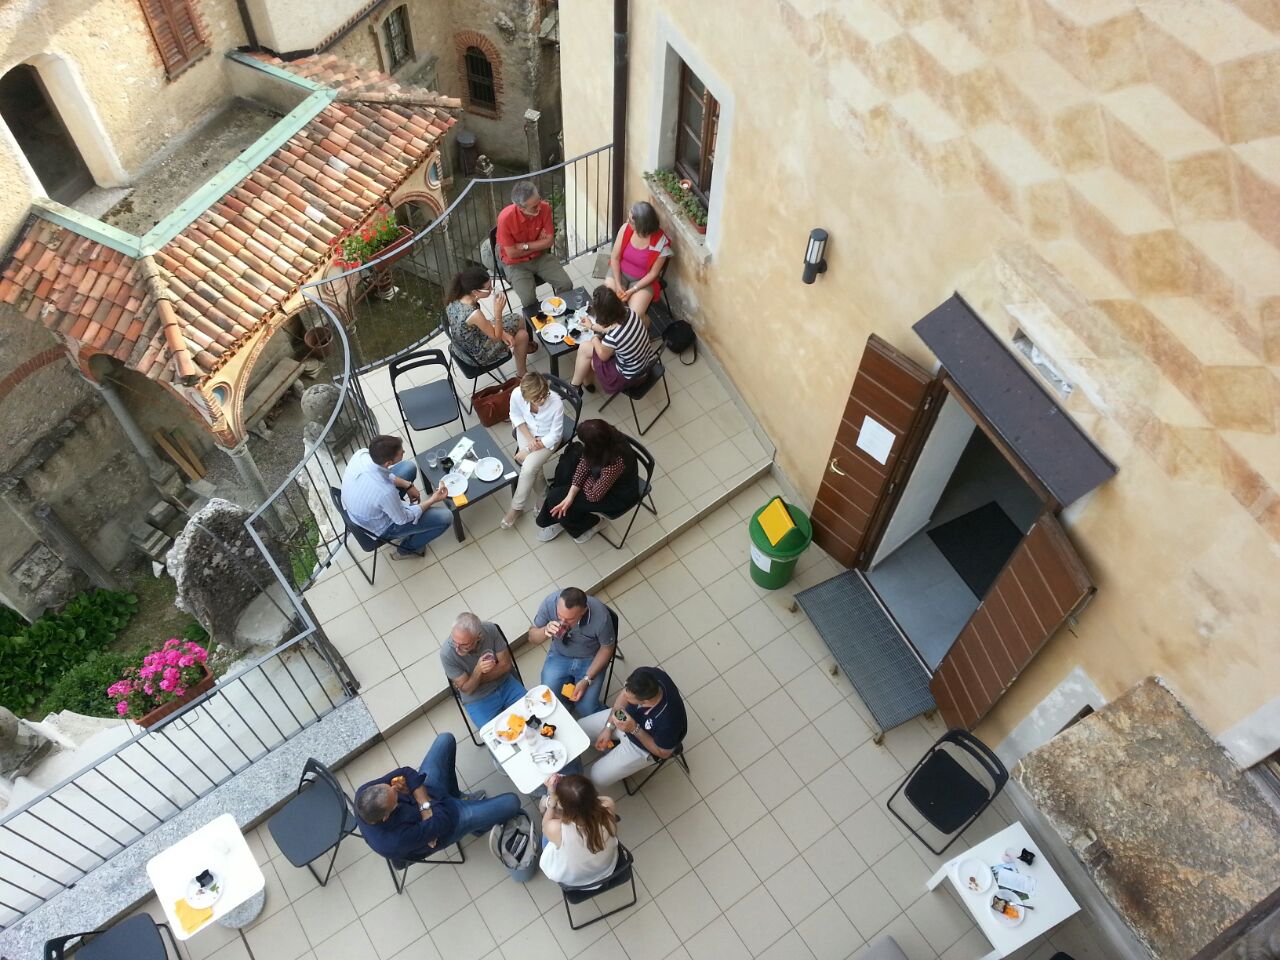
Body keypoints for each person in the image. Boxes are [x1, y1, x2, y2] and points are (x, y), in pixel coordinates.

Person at [354, 732, 521, 864]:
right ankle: (476, 826)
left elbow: (405, 771)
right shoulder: (394, 841)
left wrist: (424, 807)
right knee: (512, 802)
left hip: (428, 799)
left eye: (390, 786)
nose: (394, 788)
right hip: (448, 822)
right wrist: (416, 791)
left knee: (445, 740)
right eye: (395, 798)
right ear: (386, 816)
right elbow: (444, 822)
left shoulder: (365, 793)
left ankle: (456, 796)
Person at [340, 434, 452, 560]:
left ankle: (403, 518)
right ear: (389, 462)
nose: (404, 451)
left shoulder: (362, 455)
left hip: (356, 509)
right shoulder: (385, 492)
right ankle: (406, 549)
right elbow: (403, 519)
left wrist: (408, 486)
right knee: (446, 518)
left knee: (409, 467)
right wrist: (433, 500)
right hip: (378, 527)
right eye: (401, 452)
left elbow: (383, 474)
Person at [579, 667, 686, 789]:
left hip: (642, 745)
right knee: (580, 729)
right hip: (624, 717)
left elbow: (663, 753)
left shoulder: (670, 722)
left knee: (596, 777)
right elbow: (623, 698)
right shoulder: (644, 675)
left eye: (629, 698)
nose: (624, 696)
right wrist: (609, 727)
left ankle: (615, 756)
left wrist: (634, 728)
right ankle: (611, 748)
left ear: (645, 702)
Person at [535, 419, 637, 544]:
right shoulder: (605, 439)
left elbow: (593, 495)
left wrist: (578, 486)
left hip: (616, 496)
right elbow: (584, 464)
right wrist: (571, 494)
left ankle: (591, 524)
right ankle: (559, 517)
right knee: (566, 472)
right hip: (599, 482)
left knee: (555, 497)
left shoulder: (615, 462)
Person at [528, 587, 616, 717]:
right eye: (559, 616)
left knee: (586, 708)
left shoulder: (601, 618)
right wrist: (545, 631)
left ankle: (611, 722)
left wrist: (587, 679)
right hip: (560, 654)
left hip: (589, 658)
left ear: (583, 611)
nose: (563, 622)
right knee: (550, 697)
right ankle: (566, 706)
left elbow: (607, 648)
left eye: (570, 619)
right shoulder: (550, 602)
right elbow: (532, 637)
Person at [445, 265, 534, 377]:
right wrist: (498, 312)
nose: (492, 290)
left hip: (463, 347)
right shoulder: (473, 314)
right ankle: (522, 372)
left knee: (518, 320)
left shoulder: (455, 299)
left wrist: (504, 334)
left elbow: (475, 325)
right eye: (488, 288)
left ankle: (525, 347)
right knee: (522, 335)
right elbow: (496, 337)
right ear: (475, 292)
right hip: (477, 356)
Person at [502, 372, 565, 530]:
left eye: (544, 395)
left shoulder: (556, 403)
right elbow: (515, 415)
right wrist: (530, 440)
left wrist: (528, 449)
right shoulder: (517, 394)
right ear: (526, 396)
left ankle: (516, 508)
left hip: (548, 439)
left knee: (529, 467)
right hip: (527, 432)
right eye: (537, 398)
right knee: (533, 468)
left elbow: (555, 434)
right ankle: (544, 495)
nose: (542, 400)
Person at [495, 180, 573, 308]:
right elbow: (512, 253)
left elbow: (549, 242)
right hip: (516, 264)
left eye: (539, 201)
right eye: (534, 207)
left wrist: (524, 246)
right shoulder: (505, 218)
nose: (539, 207)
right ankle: (537, 324)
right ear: (521, 208)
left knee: (566, 285)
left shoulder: (544, 208)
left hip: (540, 257)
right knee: (528, 301)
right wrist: (538, 243)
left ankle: (560, 312)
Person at [440, 612, 526, 726]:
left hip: (505, 683)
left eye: (464, 644)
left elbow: (506, 665)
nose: (457, 647)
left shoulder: (489, 630)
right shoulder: (447, 653)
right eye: (454, 640)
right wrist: (477, 671)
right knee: (495, 737)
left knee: (533, 714)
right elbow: (467, 689)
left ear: (478, 637)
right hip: (478, 698)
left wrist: (474, 680)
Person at [569, 285, 655, 396]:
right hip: (645, 365)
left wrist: (594, 337)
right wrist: (592, 326)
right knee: (587, 351)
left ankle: (575, 386)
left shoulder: (613, 337)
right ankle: (583, 383)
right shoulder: (630, 312)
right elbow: (613, 327)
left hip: (630, 377)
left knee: (585, 348)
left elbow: (602, 355)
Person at [538, 773, 619, 886]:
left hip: (576, 881)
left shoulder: (556, 829)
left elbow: (545, 826)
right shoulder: (607, 805)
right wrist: (579, 795)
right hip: (606, 868)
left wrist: (552, 798)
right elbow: (597, 801)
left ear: (563, 807)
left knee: (548, 835)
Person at [604, 200, 672, 328]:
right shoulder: (625, 229)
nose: (627, 222)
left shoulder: (661, 243)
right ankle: (612, 332)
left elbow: (653, 274)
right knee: (607, 302)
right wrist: (618, 285)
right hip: (620, 273)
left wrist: (633, 290)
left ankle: (644, 328)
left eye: (631, 221)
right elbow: (615, 257)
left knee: (634, 316)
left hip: (642, 281)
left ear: (642, 225)